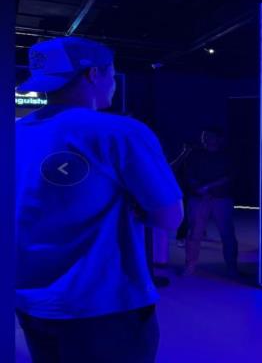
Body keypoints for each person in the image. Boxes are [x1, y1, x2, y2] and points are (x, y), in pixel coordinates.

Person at [15, 37, 183, 363]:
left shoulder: (15, 133)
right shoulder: (119, 132)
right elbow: (169, 217)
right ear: (94, 74)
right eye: (111, 73)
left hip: (30, 303)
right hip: (103, 306)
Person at [183, 127, 238, 277]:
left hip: (221, 198)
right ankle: (190, 265)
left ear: (218, 138)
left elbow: (230, 176)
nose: (205, 139)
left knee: (227, 234)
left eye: (209, 136)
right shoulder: (195, 154)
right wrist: (197, 188)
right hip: (198, 198)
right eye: (204, 136)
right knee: (194, 233)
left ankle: (232, 267)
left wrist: (208, 187)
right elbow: (189, 174)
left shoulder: (226, 155)